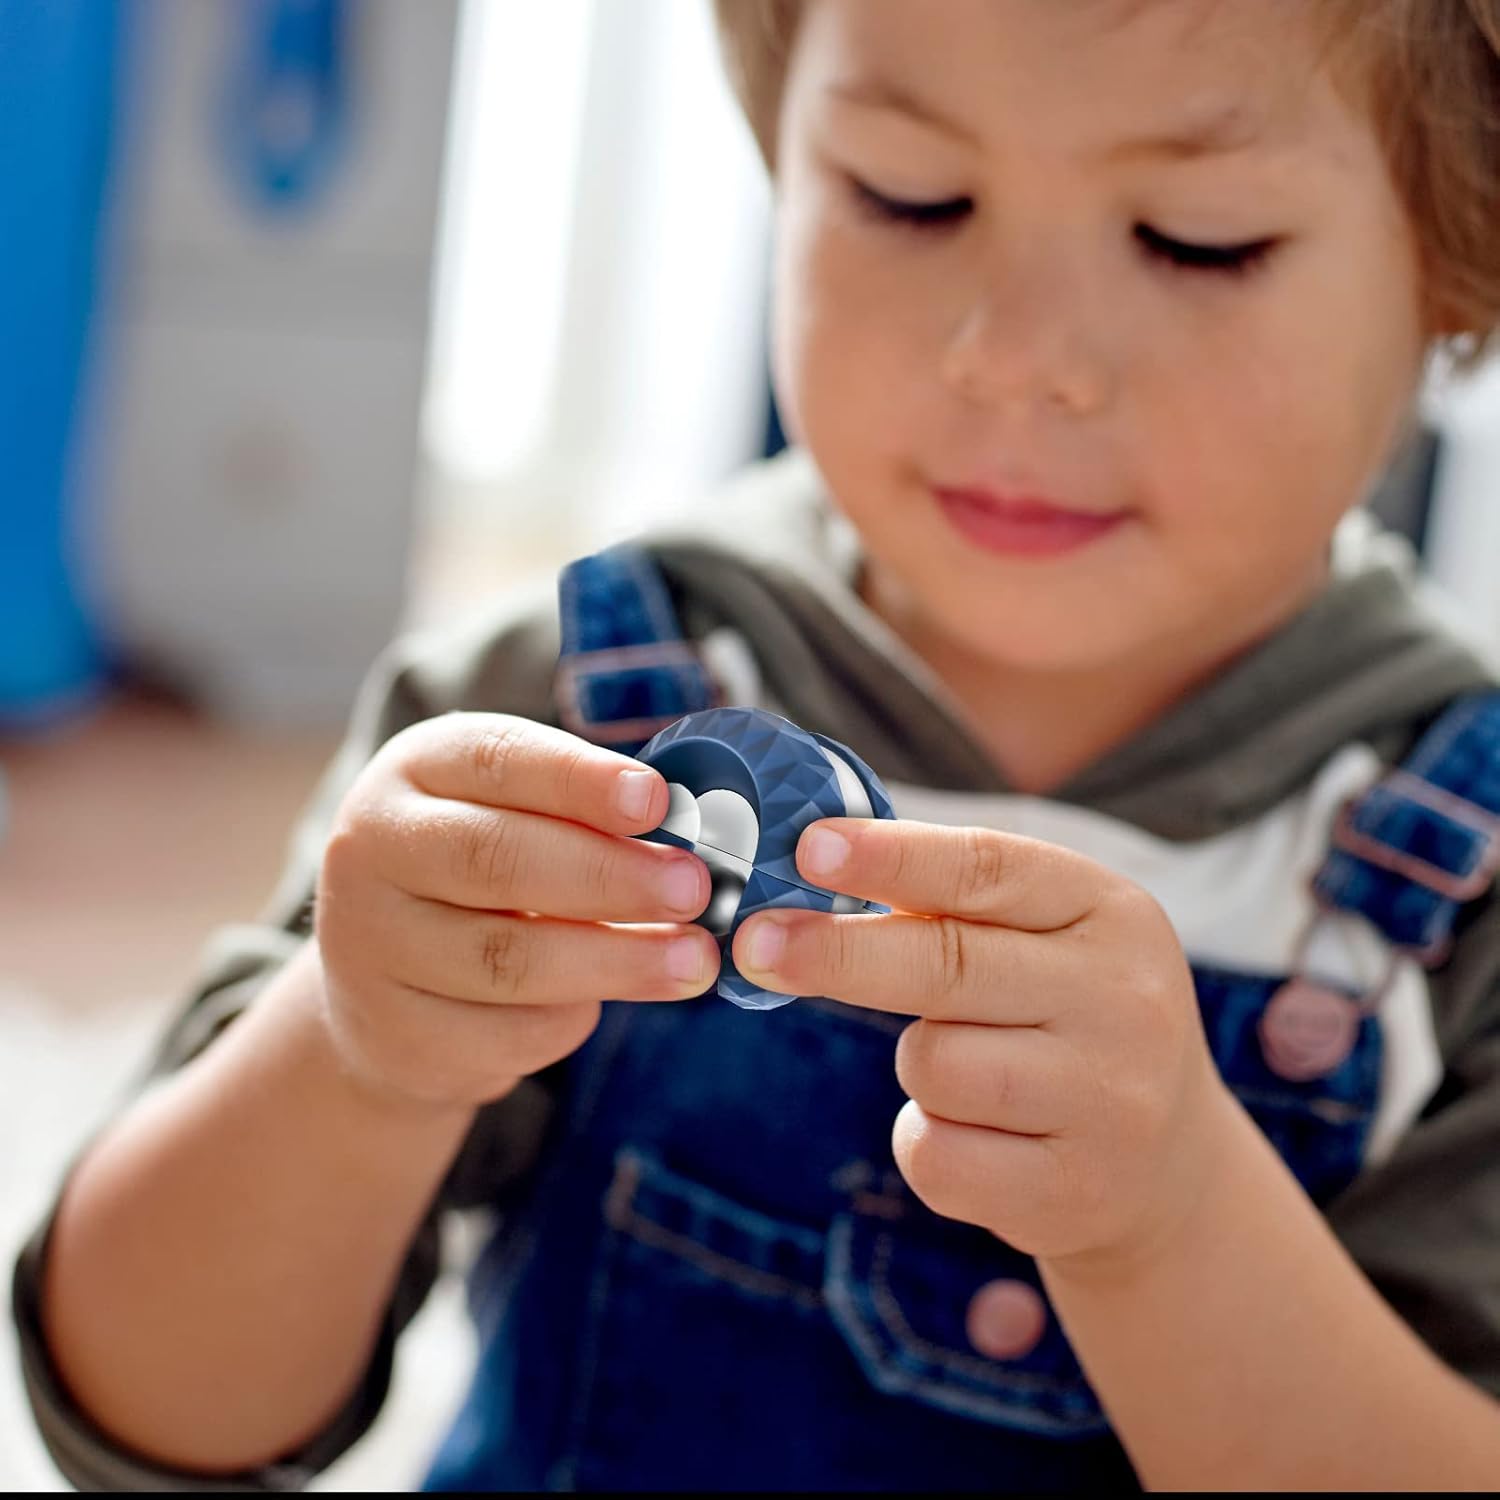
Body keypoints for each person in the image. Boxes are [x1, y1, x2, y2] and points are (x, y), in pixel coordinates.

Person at [14, 0, 1500, 1488]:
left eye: (1197, 240)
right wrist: (353, 1061)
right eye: (912, 197)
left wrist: (1177, 1222)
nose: (1014, 357)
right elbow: (146, 1419)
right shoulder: (569, 702)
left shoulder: (1465, 873)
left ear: (1456, 259)